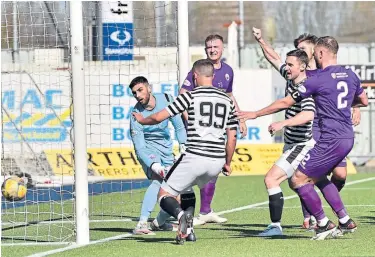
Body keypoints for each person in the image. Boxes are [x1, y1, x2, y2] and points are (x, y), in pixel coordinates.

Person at [237, 36, 368, 240]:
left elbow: (286, 102)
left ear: (322, 53)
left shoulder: (316, 79)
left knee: (297, 180)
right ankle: (345, 220)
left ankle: (323, 224)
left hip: (328, 138)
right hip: (347, 137)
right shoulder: (350, 74)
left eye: (314, 52)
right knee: (318, 178)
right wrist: (353, 107)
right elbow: (363, 100)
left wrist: (255, 114)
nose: (313, 55)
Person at [133, 59, 238, 244]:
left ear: (195, 76)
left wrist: (142, 120)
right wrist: (228, 163)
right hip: (217, 161)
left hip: (195, 155)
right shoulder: (227, 100)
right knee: (188, 189)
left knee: (164, 194)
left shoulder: (190, 96)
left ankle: (181, 216)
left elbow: (159, 117)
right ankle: (188, 232)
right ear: (213, 76)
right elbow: (232, 137)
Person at [179, 34, 245, 224]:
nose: (212, 50)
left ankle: (206, 211)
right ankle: (178, 213)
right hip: (197, 132)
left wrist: (239, 118)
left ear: (222, 48)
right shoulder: (198, 70)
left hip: (216, 129)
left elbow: (229, 95)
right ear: (205, 49)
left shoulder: (228, 71)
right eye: (209, 47)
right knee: (192, 170)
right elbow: (183, 95)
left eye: (216, 46)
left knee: (213, 166)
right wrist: (190, 121)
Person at [129, 76, 187, 235]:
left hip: (167, 150)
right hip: (149, 152)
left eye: (140, 90)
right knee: (159, 181)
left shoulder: (167, 100)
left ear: (149, 88)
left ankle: (159, 223)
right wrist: (154, 165)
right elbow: (139, 147)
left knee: (176, 190)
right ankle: (141, 223)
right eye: (134, 93)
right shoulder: (135, 114)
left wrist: (183, 145)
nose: (138, 95)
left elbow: (179, 126)